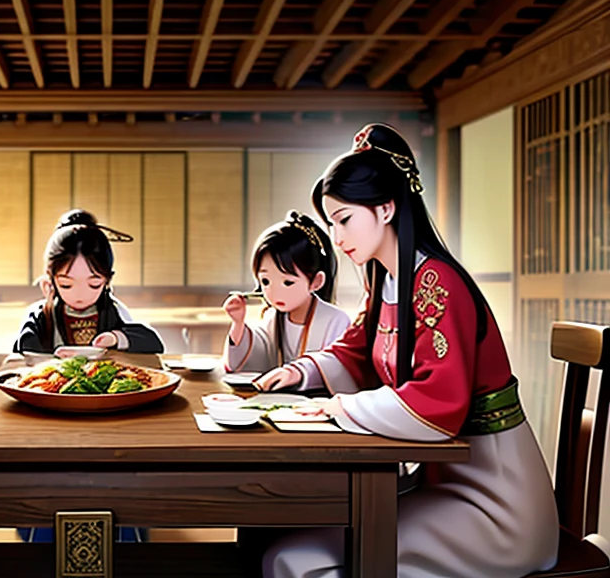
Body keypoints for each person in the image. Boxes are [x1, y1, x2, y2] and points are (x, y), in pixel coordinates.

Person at [255, 124, 558, 577]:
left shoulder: (437, 284)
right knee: (284, 548)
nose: (336, 238)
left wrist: (337, 408)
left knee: (296, 561)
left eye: (344, 220)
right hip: (440, 481)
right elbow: (356, 350)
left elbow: (439, 404)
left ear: (386, 208)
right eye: (331, 223)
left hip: (494, 500)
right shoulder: (388, 282)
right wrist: (300, 373)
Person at [12, 209, 163, 354]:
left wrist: (116, 338)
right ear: (49, 283)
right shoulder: (41, 314)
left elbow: (152, 343)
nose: (80, 294)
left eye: (94, 285)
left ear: (107, 281)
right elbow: (23, 348)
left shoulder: (113, 310)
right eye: (66, 285)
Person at [223, 210, 349, 373]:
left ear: (316, 281)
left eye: (288, 282)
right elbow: (253, 360)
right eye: (266, 281)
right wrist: (238, 323)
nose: (274, 293)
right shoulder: (272, 318)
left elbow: (337, 372)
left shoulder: (336, 321)